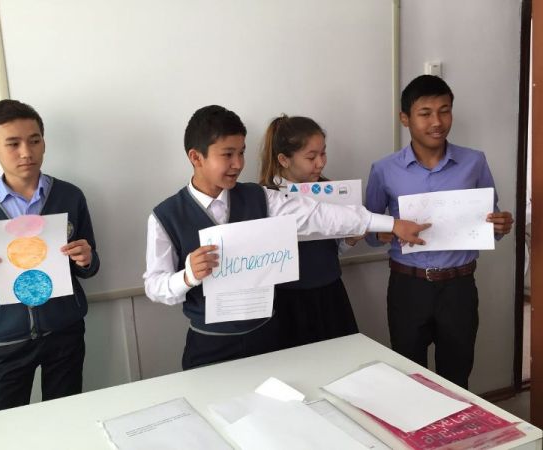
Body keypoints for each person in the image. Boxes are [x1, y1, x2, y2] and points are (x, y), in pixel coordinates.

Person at [144, 104, 429, 370]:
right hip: (209, 345)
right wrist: (187, 276)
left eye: (242, 153)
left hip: (268, 339)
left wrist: (392, 224)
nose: (238, 163)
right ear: (196, 157)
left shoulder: (260, 198)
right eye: (228, 154)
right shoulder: (165, 216)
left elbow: (320, 217)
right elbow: (154, 286)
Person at [365, 75, 514, 388]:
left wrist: (500, 225)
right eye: (425, 113)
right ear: (405, 118)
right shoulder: (384, 169)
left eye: (444, 111)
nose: (437, 122)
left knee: (457, 376)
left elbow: (491, 221)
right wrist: (385, 232)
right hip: (408, 286)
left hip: (459, 287)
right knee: (408, 377)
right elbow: (368, 230)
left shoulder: (474, 162)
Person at [0, 99, 100, 412]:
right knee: (3, 423)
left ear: (44, 142)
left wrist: (87, 259)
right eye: (13, 144)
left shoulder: (70, 196)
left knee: (64, 414)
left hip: (65, 331)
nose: (26, 152)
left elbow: (90, 266)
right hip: (8, 337)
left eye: (34, 141)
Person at [259, 115, 362, 348]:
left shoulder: (330, 190)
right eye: (311, 157)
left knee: (342, 358)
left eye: (323, 153)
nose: (320, 163)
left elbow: (331, 250)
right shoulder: (263, 197)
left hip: (330, 294)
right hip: (287, 300)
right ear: (284, 159)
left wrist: (350, 240)